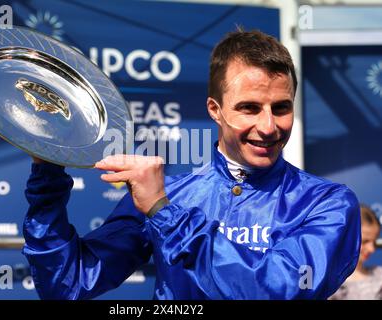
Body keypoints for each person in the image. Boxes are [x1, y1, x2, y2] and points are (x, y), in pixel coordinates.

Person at [23, 29, 361, 300]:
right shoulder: (170, 194)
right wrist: (48, 171)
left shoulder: (328, 203)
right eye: (249, 108)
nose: (269, 126)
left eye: (281, 107)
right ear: (215, 109)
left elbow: (277, 289)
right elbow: (68, 284)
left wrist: (164, 214)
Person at [329, 205, 382, 300]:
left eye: (374, 242)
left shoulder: (379, 275)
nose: (372, 249)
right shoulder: (328, 283)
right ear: (346, 237)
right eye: (365, 241)